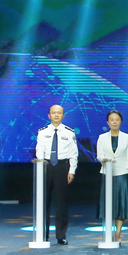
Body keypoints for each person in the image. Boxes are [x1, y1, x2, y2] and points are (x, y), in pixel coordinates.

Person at [34, 104, 78, 245]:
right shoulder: (42, 132)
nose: (56, 115)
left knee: (62, 203)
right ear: (49, 115)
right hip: (46, 166)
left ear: (63, 115)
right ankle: (43, 234)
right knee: (43, 202)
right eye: (53, 113)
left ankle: (61, 235)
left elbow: (74, 153)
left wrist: (71, 171)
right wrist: (40, 166)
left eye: (59, 113)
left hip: (62, 167)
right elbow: (39, 150)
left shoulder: (69, 132)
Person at [96, 110, 128, 243]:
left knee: (120, 204)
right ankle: (108, 231)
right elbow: (99, 155)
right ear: (108, 122)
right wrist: (105, 160)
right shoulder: (102, 137)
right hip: (107, 173)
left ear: (121, 121)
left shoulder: (127, 137)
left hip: (122, 173)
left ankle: (118, 232)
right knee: (108, 203)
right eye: (112, 119)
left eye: (117, 119)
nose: (114, 122)